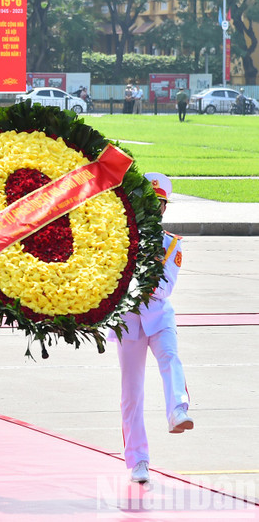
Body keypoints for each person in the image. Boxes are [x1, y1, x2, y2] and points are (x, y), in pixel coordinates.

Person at [108, 172, 193, 484]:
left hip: (158, 316)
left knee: (170, 358)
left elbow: (164, 288)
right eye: (148, 202)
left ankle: (177, 410)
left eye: (158, 204)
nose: (154, 208)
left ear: (164, 209)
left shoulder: (171, 244)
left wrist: (139, 273)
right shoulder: (120, 239)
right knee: (131, 393)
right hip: (129, 321)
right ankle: (138, 460)